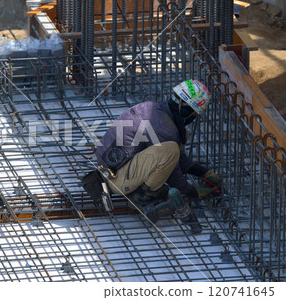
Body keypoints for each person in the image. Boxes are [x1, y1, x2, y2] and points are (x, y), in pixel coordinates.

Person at [94, 80, 222, 232]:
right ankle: (143, 196)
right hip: (116, 180)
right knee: (170, 149)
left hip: (111, 168)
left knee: (172, 146)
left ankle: (142, 188)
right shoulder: (165, 128)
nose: (194, 116)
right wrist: (194, 192)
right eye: (194, 113)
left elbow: (175, 157)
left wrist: (202, 171)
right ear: (188, 111)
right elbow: (173, 172)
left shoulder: (154, 108)